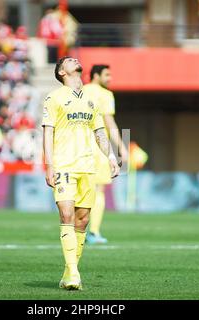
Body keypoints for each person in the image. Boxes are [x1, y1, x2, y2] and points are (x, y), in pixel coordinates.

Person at [42, 56, 120, 290]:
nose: (74, 60)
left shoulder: (91, 98)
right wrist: (49, 164)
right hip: (64, 165)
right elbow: (48, 132)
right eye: (68, 60)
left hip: (88, 167)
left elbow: (100, 132)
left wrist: (111, 156)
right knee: (66, 215)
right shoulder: (53, 98)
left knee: (82, 220)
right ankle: (74, 273)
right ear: (61, 72)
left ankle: (68, 272)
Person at [83, 65, 128, 244]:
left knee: (81, 190)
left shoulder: (79, 91)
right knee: (99, 189)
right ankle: (93, 232)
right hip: (98, 147)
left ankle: (75, 230)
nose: (109, 78)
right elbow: (110, 123)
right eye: (107, 75)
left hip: (78, 146)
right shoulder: (105, 94)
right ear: (96, 75)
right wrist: (121, 148)